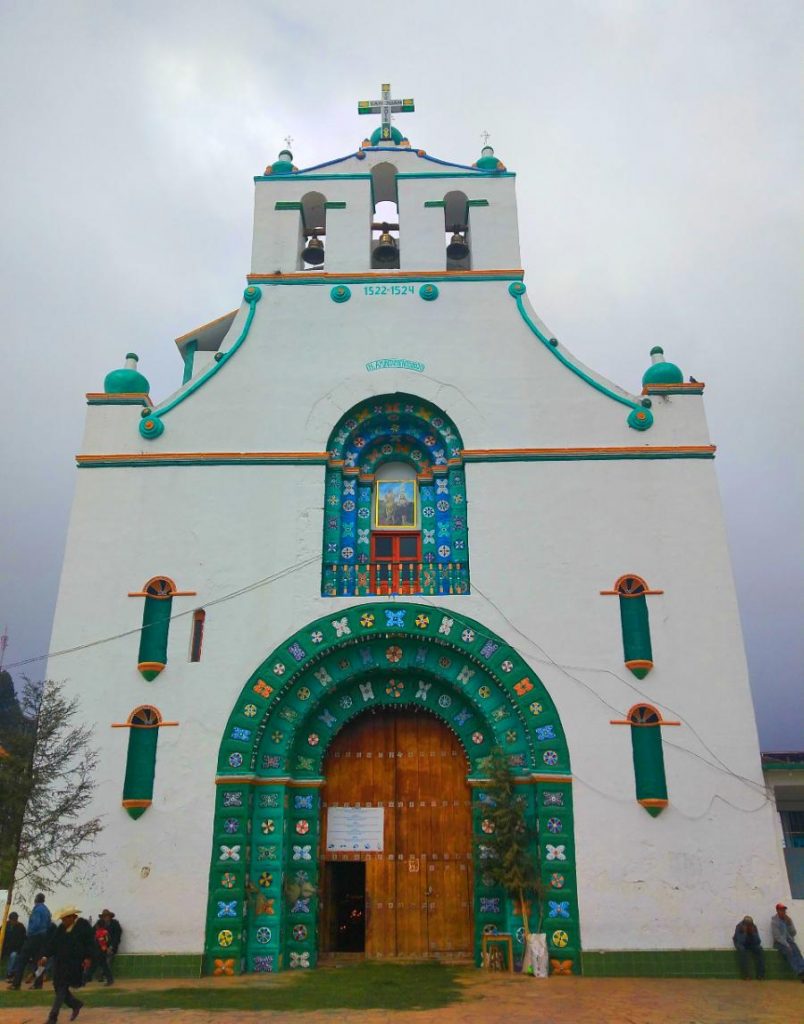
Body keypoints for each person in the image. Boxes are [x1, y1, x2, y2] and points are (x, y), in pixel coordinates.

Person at [38, 905, 94, 1023]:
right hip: (60, 963)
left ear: (73, 917)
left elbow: (90, 943)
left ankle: (53, 1017)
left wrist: (88, 957)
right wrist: (45, 956)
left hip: (74, 963)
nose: (63, 921)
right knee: (58, 987)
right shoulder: (61, 929)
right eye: (62, 919)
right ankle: (76, 1004)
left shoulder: (83, 927)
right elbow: (52, 944)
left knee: (62, 987)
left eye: (66, 919)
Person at [7, 892, 51, 989]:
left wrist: (29, 934)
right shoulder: (47, 910)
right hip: (43, 938)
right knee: (39, 961)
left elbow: (35, 924)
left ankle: (16, 983)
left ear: (36, 900)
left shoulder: (37, 910)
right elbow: (49, 925)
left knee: (22, 959)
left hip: (34, 937)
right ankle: (38, 984)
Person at [770, 902, 804, 980]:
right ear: (777, 911)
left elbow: (793, 933)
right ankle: (800, 973)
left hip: (789, 941)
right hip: (779, 943)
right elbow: (778, 937)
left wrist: (790, 924)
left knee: (797, 952)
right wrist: (787, 945)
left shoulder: (787, 920)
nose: (783, 912)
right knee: (790, 953)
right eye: (781, 910)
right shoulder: (774, 922)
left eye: (784, 910)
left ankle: (803, 969)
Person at [84, 914, 113, 986]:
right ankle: (87, 978)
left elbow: (101, 942)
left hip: (99, 951)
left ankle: (86, 978)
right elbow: (108, 941)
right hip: (102, 951)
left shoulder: (99, 933)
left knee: (98, 965)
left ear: (98, 926)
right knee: (96, 965)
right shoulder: (106, 932)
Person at [2, 912, 26, 980]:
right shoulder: (5, 926)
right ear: (10, 919)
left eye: (16, 919)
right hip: (5, 948)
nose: (15, 920)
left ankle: (9, 974)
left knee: (14, 956)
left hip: (16, 949)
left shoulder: (21, 926)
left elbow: (23, 939)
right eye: (14, 919)